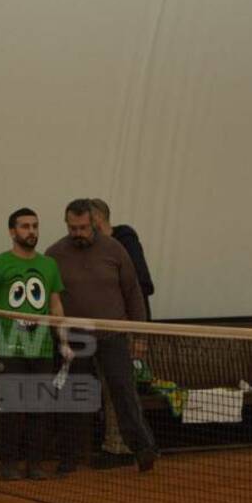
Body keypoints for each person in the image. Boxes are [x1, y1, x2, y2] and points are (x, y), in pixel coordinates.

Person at [46, 199, 158, 474]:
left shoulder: (115, 249)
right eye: (73, 228)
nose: (78, 233)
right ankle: (69, 458)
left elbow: (133, 293)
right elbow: (50, 298)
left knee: (123, 391)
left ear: (93, 223)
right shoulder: (54, 254)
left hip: (113, 335)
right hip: (75, 339)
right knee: (74, 396)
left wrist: (141, 336)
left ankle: (143, 450)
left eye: (83, 227)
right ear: (66, 224)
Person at [0, 208, 71, 481]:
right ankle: (9, 463)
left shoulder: (49, 265)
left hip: (41, 348)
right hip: (10, 348)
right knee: (12, 408)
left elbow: (55, 305)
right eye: (24, 226)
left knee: (39, 408)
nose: (31, 231)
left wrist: (63, 341)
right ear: (12, 231)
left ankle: (34, 463)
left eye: (35, 226)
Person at [89, 198, 155, 464]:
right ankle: (116, 444)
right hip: (98, 331)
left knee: (123, 389)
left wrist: (140, 335)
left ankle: (129, 446)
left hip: (125, 328)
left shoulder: (124, 242)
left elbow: (141, 287)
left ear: (99, 221)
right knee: (109, 389)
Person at [89, 199, 154, 320]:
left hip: (131, 317)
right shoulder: (92, 246)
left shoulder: (126, 242)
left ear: (97, 218)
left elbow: (142, 281)